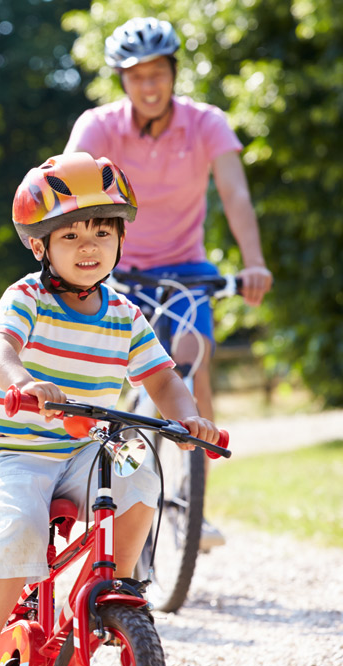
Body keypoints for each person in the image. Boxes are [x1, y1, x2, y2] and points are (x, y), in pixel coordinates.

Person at [0, 152, 220, 666]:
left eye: (102, 232)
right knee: (20, 526)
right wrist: (24, 382)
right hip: (12, 450)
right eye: (70, 235)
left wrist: (187, 417)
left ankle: (115, 586)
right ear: (40, 245)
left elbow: (163, 377)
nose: (89, 246)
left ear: (121, 239)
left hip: (85, 448)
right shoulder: (27, 296)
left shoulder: (124, 314)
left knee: (141, 469)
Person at [64, 16, 273, 549]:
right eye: (137, 76)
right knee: (115, 382)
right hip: (118, 269)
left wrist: (253, 261)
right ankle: (118, 486)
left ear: (174, 73)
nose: (149, 85)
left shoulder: (206, 124)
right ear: (122, 81)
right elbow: (69, 189)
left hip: (185, 269)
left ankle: (190, 501)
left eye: (158, 73)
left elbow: (236, 197)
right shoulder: (99, 125)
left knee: (190, 354)